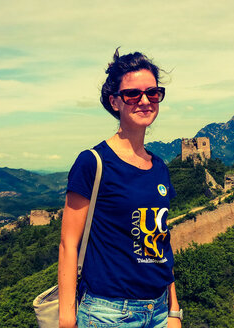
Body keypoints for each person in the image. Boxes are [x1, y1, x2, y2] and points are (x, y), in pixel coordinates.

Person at [58, 49, 182, 328]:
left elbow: (162, 241)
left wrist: (173, 310)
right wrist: (67, 318)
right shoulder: (93, 162)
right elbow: (68, 244)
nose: (144, 101)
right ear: (115, 102)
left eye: (153, 93)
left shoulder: (160, 167)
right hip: (109, 314)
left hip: (160, 311)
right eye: (132, 94)